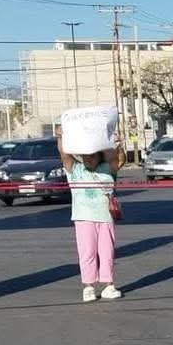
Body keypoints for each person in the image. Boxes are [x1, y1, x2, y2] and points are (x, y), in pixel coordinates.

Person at [56, 127, 124, 302]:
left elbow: (118, 160)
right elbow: (64, 155)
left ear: (99, 156)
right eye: (85, 156)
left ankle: (109, 285)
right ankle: (88, 287)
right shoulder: (75, 169)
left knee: (107, 252)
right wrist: (61, 137)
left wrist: (117, 145)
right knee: (87, 253)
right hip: (83, 218)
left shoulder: (106, 168)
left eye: (92, 155)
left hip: (105, 217)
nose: (88, 159)